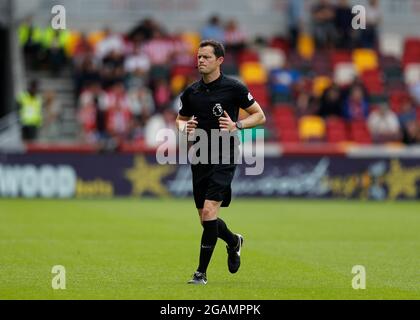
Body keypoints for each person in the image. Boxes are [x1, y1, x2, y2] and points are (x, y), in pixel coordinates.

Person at [175, 40, 266, 285]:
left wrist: (237, 125)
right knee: (206, 220)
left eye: (205, 57)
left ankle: (200, 274)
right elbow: (180, 120)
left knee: (209, 211)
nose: (200, 61)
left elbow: (260, 115)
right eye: (199, 57)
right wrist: (186, 129)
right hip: (200, 155)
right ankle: (234, 241)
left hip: (225, 156)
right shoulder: (191, 92)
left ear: (219, 61)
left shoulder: (234, 88)